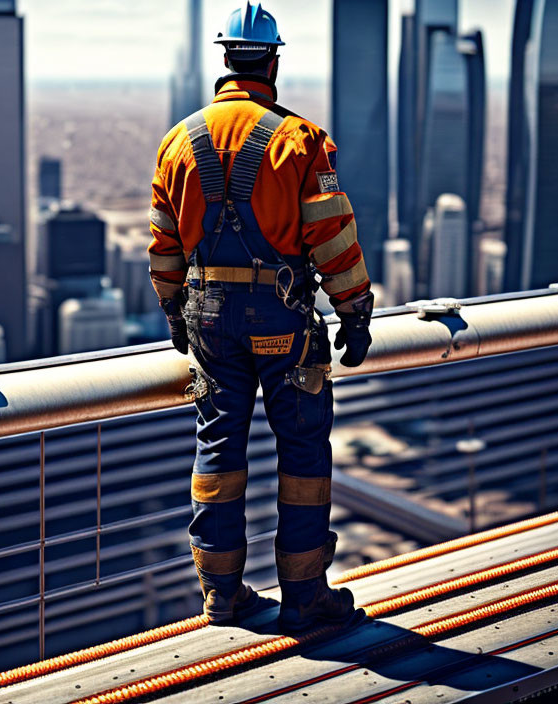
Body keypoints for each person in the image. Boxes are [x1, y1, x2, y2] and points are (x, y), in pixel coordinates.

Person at [148, 2, 374, 633]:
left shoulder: (177, 143)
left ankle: (221, 594)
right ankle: (305, 597)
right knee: (302, 452)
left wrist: (174, 310)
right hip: (282, 321)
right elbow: (332, 237)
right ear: (272, 61)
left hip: (210, 320)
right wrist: (354, 311)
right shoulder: (300, 140)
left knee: (219, 445)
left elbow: (164, 243)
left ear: (225, 59)